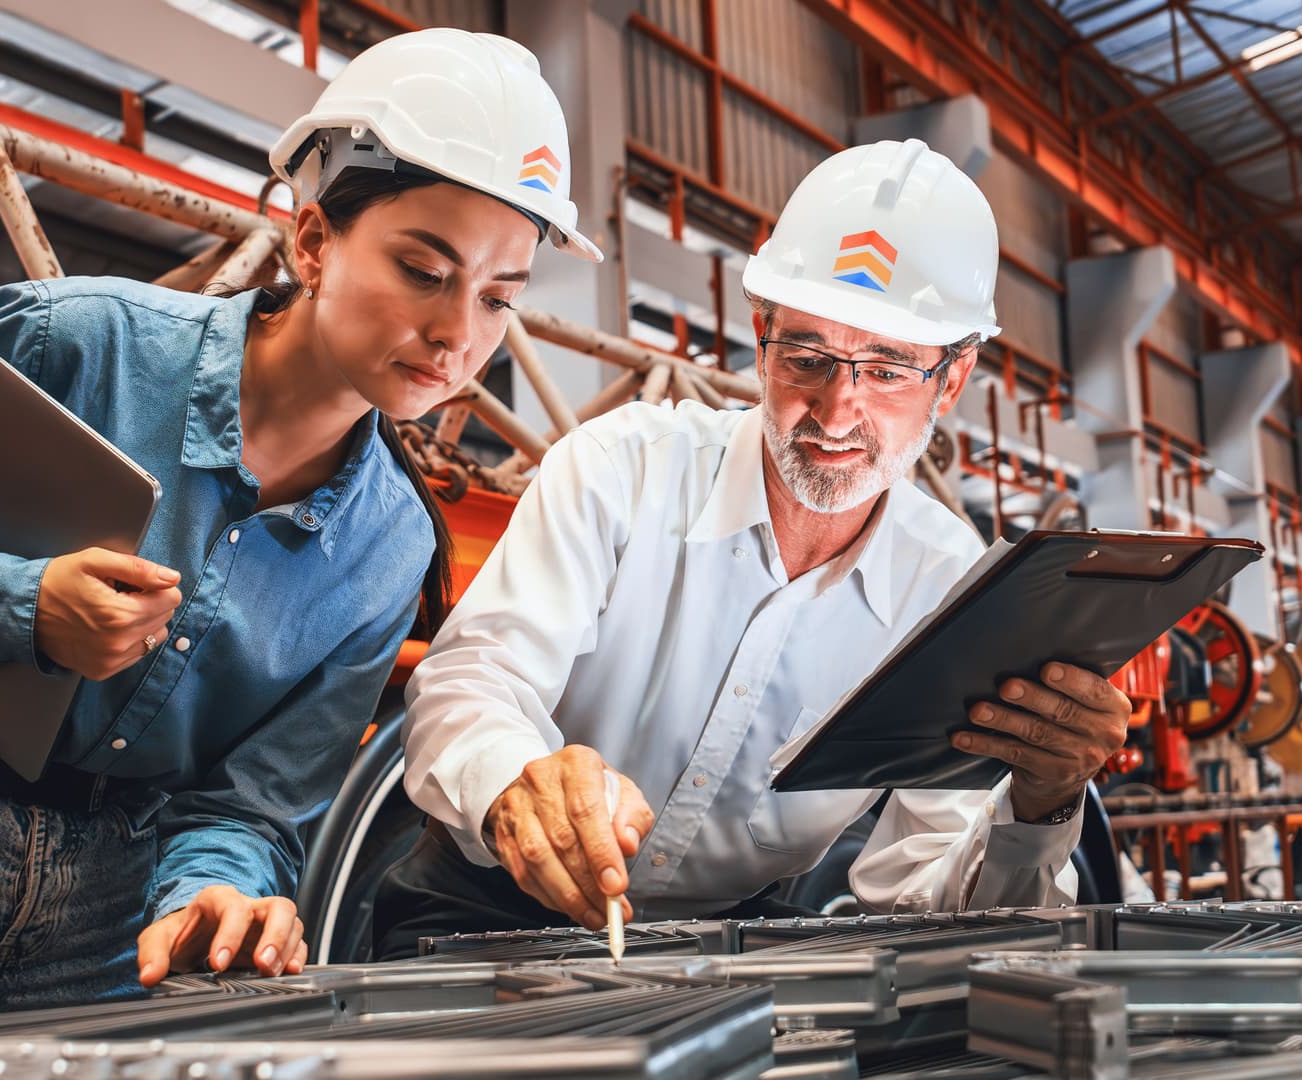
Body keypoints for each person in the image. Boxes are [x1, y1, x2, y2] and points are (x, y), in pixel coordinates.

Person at [0, 28, 599, 1032]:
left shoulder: (392, 548)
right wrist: (19, 606)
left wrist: (213, 893)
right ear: (314, 240)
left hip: (110, 913)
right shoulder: (73, 343)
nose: (460, 336)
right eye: (423, 269)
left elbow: (253, 803)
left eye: (499, 298)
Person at [375, 139, 1129, 959]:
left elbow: (928, 900)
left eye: (886, 371)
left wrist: (1043, 804)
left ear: (950, 380)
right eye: (807, 357)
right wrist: (514, 781)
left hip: (737, 948)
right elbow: (473, 677)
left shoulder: (949, 589)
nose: (836, 413)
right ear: (761, 334)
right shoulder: (621, 469)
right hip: (488, 912)